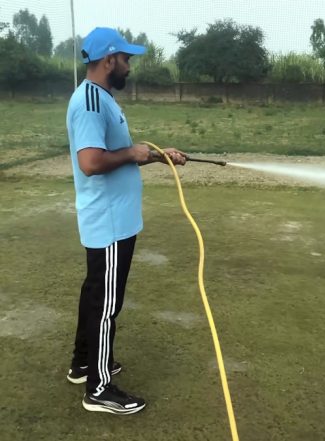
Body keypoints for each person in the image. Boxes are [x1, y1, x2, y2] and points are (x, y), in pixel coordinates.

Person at [65, 27, 187, 414]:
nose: (129, 67)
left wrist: (155, 155)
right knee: (105, 304)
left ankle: (83, 364)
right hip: (110, 222)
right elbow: (91, 163)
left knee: (94, 295)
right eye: (126, 59)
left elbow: (119, 152)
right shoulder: (90, 102)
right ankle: (99, 389)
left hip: (114, 219)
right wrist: (133, 154)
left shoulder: (102, 98)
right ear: (108, 60)